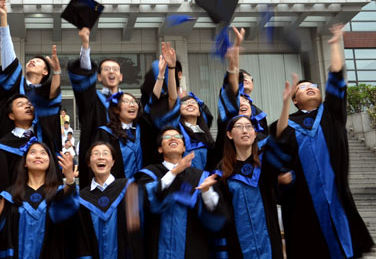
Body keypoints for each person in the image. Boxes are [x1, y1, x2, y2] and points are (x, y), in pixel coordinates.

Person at [273, 25, 374, 258]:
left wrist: (335, 42)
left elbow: (337, 77)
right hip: (302, 203)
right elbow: (275, 152)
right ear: (295, 100)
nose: (309, 88)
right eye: (303, 88)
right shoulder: (286, 125)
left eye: (313, 86)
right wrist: (279, 175)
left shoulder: (331, 114)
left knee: (343, 246)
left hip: (336, 196)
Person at [134, 126, 227, 258]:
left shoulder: (201, 177)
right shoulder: (149, 175)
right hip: (159, 248)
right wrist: (174, 172)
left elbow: (216, 218)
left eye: (178, 136)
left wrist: (206, 192)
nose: (173, 138)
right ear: (160, 149)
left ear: (184, 148)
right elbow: (146, 202)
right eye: (167, 137)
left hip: (193, 248)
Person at [0, 0, 62, 156]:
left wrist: (57, 71)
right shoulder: (16, 86)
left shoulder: (45, 95)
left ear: (45, 72)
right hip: (12, 149)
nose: (32, 61)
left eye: (38, 62)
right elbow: (8, 57)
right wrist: (4, 19)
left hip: (40, 151)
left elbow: (54, 98)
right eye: (31, 60)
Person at [214, 115, 287, 259]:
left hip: (269, 241)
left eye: (249, 127)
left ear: (255, 134)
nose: (245, 131)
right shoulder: (221, 172)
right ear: (229, 134)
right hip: (238, 244)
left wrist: (285, 104)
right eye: (239, 127)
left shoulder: (265, 163)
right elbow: (221, 213)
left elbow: (280, 137)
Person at [0, 142, 79, 258]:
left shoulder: (58, 194)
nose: (38, 156)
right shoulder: (10, 196)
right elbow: (0, 236)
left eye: (43, 153)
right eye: (32, 152)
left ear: (50, 162)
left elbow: (69, 209)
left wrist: (70, 179)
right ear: (24, 163)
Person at [68, 26, 124, 185]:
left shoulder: (130, 102)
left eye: (115, 69)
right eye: (106, 69)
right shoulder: (94, 99)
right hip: (100, 160)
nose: (111, 72)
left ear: (121, 76)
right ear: (98, 76)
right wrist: (85, 46)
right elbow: (85, 80)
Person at [207, 27, 267, 171]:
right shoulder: (229, 117)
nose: (243, 103)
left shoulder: (259, 115)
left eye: (248, 78)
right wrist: (235, 55)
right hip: (228, 170)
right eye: (242, 78)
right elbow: (232, 84)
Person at [0, 94, 61, 200]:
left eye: (29, 104)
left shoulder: (45, 140)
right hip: (16, 206)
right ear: (11, 115)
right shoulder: (2, 148)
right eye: (21, 105)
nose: (27, 106)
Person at [73, 141, 143, 259]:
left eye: (106, 153)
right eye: (96, 153)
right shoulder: (82, 197)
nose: (101, 157)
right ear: (89, 163)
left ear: (113, 161)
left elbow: (136, 232)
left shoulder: (128, 188)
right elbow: (80, 237)